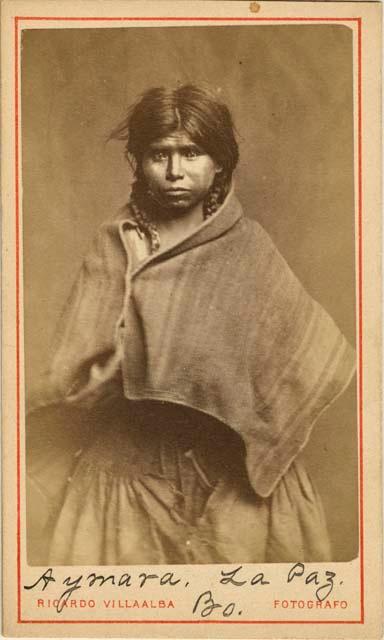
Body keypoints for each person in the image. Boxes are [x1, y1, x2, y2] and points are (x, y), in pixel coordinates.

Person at [26, 84, 355, 566]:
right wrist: (111, 360)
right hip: (128, 472)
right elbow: (76, 362)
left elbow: (303, 356)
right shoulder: (117, 243)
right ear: (139, 161)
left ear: (219, 162)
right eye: (160, 154)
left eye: (192, 153)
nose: (176, 171)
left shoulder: (249, 249)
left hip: (230, 472)